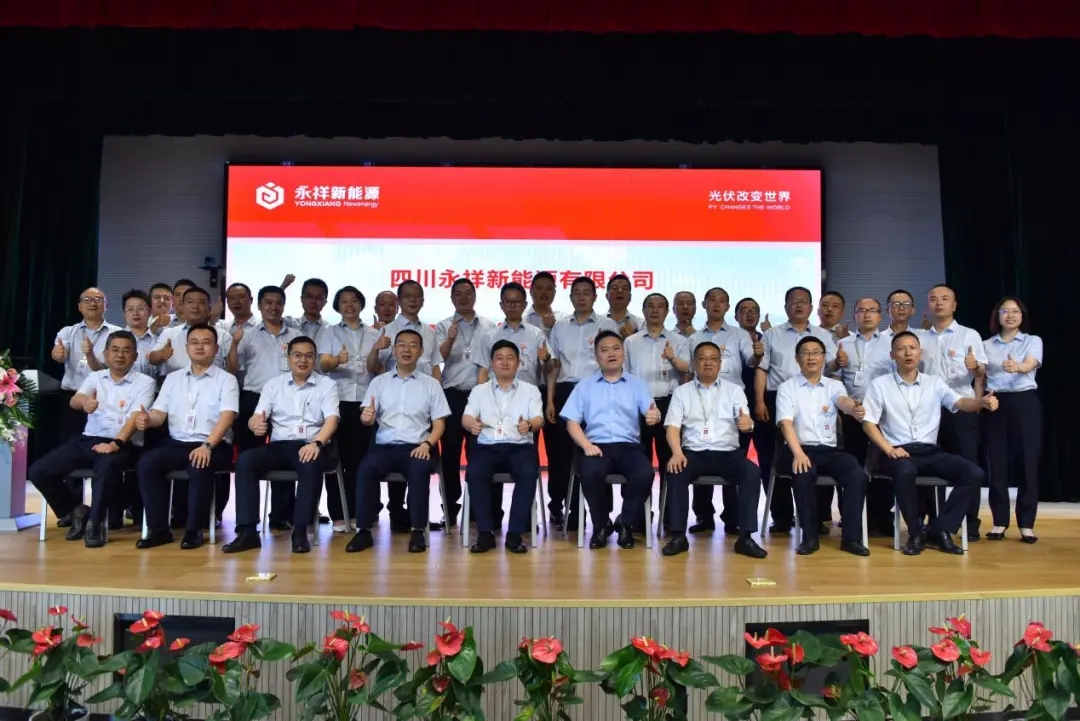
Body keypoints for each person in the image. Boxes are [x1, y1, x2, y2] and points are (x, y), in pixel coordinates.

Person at [860, 331, 998, 556]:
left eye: (912, 348)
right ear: (892, 355)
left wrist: (980, 402)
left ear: (920, 353)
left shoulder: (934, 383)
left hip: (929, 451)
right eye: (901, 349)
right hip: (896, 451)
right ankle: (915, 533)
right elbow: (868, 423)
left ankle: (940, 528)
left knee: (974, 473)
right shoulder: (880, 385)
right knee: (905, 470)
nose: (908, 353)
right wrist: (889, 449)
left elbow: (960, 402)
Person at [28, 330, 155, 547]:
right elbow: (75, 400)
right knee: (39, 471)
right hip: (89, 440)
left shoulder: (145, 382)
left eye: (126, 351)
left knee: (106, 467)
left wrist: (115, 443)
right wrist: (84, 403)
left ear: (135, 356)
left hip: (125, 444)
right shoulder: (95, 377)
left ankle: (95, 524)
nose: (120, 355)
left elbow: (135, 418)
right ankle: (76, 510)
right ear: (105, 354)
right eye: (115, 350)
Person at [224, 336, 341, 554]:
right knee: (246, 460)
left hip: (313, 444)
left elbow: (332, 421)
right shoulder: (273, 385)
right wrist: (254, 424)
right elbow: (257, 416)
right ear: (288, 358)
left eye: (308, 356)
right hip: (280, 445)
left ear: (315, 359)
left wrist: (316, 443)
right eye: (297, 355)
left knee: (309, 462)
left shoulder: (327, 385)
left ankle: (300, 531)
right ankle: (247, 532)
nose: (303, 360)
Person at [134, 323, 239, 550]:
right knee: (147, 463)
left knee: (200, 463)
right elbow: (159, 415)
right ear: (186, 347)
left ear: (216, 348)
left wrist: (207, 446)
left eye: (206, 342)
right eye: (194, 342)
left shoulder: (227, 380)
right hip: (177, 443)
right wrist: (146, 419)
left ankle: (194, 530)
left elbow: (227, 418)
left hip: (214, 444)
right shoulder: (173, 379)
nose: (200, 347)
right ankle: (158, 530)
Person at [347, 329, 451, 554]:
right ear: (394, 350)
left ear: (421, 352)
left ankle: (417, 530)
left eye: (413, 345)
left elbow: (439, 423)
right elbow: (367, 417)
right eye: (401, 344)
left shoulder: (431, 384)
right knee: (366, 468)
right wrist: (366, 418)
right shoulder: (379, 382)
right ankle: (363, 531)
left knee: (419, 470)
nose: (407, 349)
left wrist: (427, 445)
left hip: (418, 447)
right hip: (384, 448)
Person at [662, 342, 765, 558]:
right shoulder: (682, 392)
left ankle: (746, 538)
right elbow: (672, 428)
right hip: (693, 453)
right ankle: (678, 536)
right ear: (694, 363)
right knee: (676, 471)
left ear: (720, 363)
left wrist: (748, 425)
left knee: (751, 472)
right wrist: (677, 453)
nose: (708, 363)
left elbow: (745, 419)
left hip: (728, 454)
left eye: (713, 359)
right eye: (702, 358)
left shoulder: (734, 390)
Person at [560, 330, 660, 550]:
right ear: (596, 356)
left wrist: (654, 416)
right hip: (596, 445)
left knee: (644, 473)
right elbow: (571, 422)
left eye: (616, 348)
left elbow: (651, 410)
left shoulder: (637, 384)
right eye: (604, 350)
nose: (611, 354)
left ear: (623, 352)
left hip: (629, 447)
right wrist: (587, 445)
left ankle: (625, 522)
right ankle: (601, 524)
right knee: (590, 472)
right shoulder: (585, 386)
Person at [775, 336, 870, 556]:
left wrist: (853, 408)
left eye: (816, 352)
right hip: (799, 449)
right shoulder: (787, 388)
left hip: (830, 450)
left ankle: (851, 539)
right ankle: (809, 538)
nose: (811, 357)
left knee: (857, 474)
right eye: (805, 353)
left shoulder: (834, 385)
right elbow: (786, 424)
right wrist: (798, 453)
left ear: (824, 357)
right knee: (803, 473)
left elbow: (843, 401)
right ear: (797, 359)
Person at [462, 340, 544, 554]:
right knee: (475, 473)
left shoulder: (531, 390)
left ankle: (515, 534)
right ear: (492, 363)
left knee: (528, 473)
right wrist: (471, 424)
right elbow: (467, 416)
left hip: (519, 446)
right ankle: (485, 533)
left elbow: (539, 418)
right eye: (499, 358)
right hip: (487, 446)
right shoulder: (479, 391)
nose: (505, 362)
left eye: (510, 358)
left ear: (518, 362)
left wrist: (529, 424)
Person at [981, 297, 1043, 543]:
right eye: (1004, 311)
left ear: (1022, 315)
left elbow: (1030, 364)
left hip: (1024, 401)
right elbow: (980, 375)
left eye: (1015, 311)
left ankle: (1027, 524)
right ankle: (999, 522)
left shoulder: (1032, 340)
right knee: (996, 463)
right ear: (997, 316)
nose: (1010, 315)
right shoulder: (986, 345)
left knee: (1028, 462)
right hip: (995, 403)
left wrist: (1017, 367)